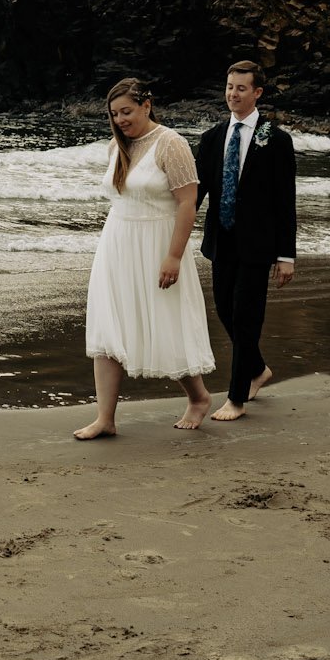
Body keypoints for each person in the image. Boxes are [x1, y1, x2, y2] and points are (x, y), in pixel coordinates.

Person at [75, 78, 217, 440]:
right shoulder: (115, 147)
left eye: (126, 111)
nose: (120, 119)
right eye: (114, 114)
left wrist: (173, 255)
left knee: (165, 323)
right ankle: (105, 418)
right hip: (117, 244)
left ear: (146, 105)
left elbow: (187, 203)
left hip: (158, 244)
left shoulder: (171, 144)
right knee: (110, 325)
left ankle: (198, 398)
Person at [194, 60, 298, 421]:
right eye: (229, 87)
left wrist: (286, 255)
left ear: (257, 93)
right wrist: (168, 233)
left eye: (240, 88)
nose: (232, 94)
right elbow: (196, 193)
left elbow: (286, 201)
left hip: (258, 244)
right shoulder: (211, 139)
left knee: (245, 317)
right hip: (221, 240)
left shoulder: (277, 140)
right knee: (225, 309)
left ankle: (236, 398)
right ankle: (256, 369)